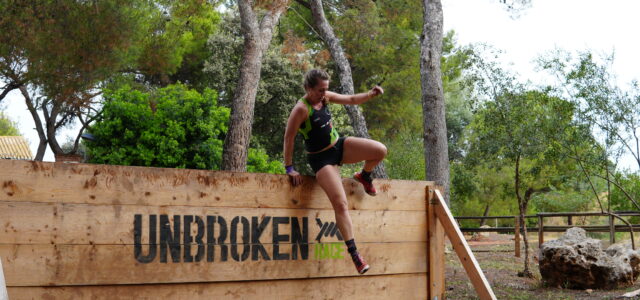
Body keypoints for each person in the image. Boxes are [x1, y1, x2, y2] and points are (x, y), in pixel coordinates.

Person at [283, 69, 387, 274]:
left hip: (339, 146)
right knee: (341, 203)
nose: (324, 94)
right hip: (322, 159)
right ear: (308, 88)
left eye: (326, 90)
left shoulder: (326, 97)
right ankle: (355, 255)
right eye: (320, 90)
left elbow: (350, 99)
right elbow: (289, 138)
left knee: (380, 151)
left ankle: (364, 176)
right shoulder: (301, 109)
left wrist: (370, 94)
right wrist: (290, 168)